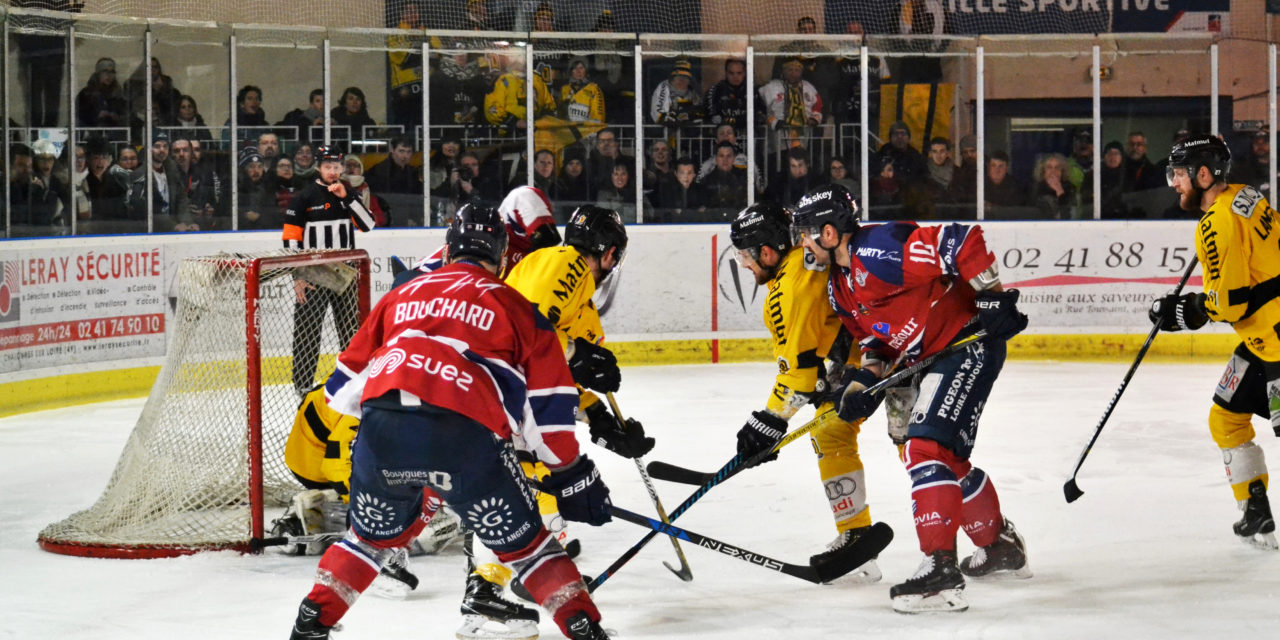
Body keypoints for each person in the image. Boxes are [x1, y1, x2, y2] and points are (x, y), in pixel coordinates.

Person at [287, 204, 614, 640]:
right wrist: (572, 474)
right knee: (532, 551)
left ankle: (312, 619)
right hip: (467, 442)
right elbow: (547, 412)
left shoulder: (399, 297)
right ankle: (585, 629)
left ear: (447, 249)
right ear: (501, 257)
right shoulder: (513, 304)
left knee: (366, 542)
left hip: (382, 438)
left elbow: (340, 392)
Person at [791, 184, 1031, 613]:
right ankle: (1000, 546)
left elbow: (959, 240)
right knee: (948, 459)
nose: (802, 244)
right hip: (936, 356)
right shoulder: (840, 286)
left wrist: (992, 297)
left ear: (830, 233)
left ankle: (940, 571)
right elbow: (875, 344)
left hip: (968, 342)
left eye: (807, 233)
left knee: (925, 449)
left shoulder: (877, 250)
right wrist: (862, 384)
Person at [728, 201, 884, 583]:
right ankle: (856, 535)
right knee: (830, 430)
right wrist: (824, 376)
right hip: (872, 349)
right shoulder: (804, 258)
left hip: (892, 347)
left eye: (745, 256)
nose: (745, 265)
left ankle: (987, 536)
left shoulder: (788, 289)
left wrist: (769, 420)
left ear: (766, 251)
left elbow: (797, 374)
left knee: (924, 448)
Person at [1151, 134, 1280, 551]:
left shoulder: (1215, 223)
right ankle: (1255, 510)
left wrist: (1183, 312)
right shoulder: (1244, 195)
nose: (1174, 182)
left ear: (1203, 174)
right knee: (1225, 417)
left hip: (1276, 340)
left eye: (1179, 174)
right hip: (1264, 339)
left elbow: (1232, 306)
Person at [282, 145, 377, 396]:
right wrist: (298, 276)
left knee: (352, 333)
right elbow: (291, 239)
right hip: (314, 275)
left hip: (346, 275)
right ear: (318, 168)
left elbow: (368, 225)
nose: (333, 172)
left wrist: (346, 197)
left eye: (337, 167)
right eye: (328, 167)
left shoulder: (348, 193)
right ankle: (302, 385)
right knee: (307, 331)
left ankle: (355, 380)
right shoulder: (304, 197)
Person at [485, 54, 556, 137]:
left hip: (536, 134)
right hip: (510, 135)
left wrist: (540, 121)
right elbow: (492, 108)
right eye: (513, 56)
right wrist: (514, 122)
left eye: (521, 56)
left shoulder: (537, 81)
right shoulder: (503, 80)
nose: (518, 60)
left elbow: (550, 106)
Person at [758, 57, 822, 135]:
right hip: (777, 134)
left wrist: (814, 119)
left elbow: (817, 107)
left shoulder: (809, 87)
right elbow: (761, 111)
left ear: (801, 72)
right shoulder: (771, 87)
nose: (793, 73)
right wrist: (773, 121)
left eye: (797, 70)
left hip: (803, 132)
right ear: (783, 71)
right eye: (790, 70)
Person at [75, 58, 128, 128]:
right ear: (98, 74)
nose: (109, 75)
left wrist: (117, 117)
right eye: (105, 72)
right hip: (91, 132)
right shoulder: (86, 94)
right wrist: (97, 115)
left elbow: (126, 114)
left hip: (114, 132)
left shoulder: (119, 94)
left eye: (112, 72)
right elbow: (79, 115)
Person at [1082, 140, 1129, 219]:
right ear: (1104, 156)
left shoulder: (1127, 176)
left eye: (1116, 154)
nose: (1112, 157)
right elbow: (1087, 201)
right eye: (1109, 153)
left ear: (1121, 157)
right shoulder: (1092, 176)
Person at [649, 60, 702, 127]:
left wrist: (687, 116)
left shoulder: (693, 92)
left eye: (685, 78)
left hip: (688, 133)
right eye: (679, 78)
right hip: (663, 132)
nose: (682, 81)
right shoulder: (664, 87)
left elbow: (700, 114)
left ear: (689, 81)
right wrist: (683, 117)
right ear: (672, 79)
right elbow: (658, 116)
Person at [653, 157, 706, 222]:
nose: (685, 176)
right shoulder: (667, 190)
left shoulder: (700, 190)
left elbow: (702, 213)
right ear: (676, 174)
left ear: (694, 174)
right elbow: (667, 214)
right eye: (682, 173)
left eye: (689, 173)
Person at [704, 58, 748, 131]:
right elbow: (708, 113)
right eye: (731, 73)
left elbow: (759, 115)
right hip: (722, 136)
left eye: (739, 73)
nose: (735, 76)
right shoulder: (715, 90)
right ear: (726, 73)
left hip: (747, 136)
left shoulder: (752, 91)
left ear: (744, 73)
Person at [558, 57, 606, 124]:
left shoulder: (594, 89)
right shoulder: (564, 89)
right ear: (571, 71)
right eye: (575, 68)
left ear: (586, 70)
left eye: (581, 68)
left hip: (587, 131)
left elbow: (599, 117)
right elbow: (559, 114)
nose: (578, 71)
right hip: (567, 131)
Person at [1030, 153, 1077, 219]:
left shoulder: (1070, 188)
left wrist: (1060, 192)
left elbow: (1070, 216)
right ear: (1043, 171)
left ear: (1062, 171)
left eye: (1057, 168)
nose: (1053, 171)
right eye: (1049, 167)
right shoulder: (1036, 189)